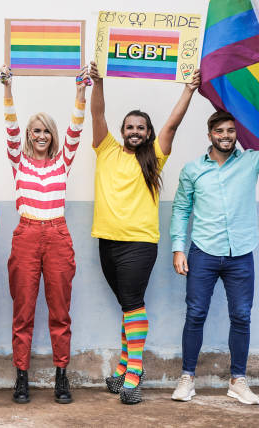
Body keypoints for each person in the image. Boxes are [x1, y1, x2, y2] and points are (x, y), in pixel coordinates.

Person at [89, 61, 200, 404]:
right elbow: (98, 114)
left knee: (133, 305)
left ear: (148, 133)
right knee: (127, 305)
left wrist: (189, 89)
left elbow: (173, 123)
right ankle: (123, 370)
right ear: (122, 130)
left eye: (141, 127)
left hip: (139, 244)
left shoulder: (154, 156)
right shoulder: (105, 149)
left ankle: (134, 375)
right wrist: (99, 82)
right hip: (107, 241)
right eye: (130, 126)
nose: (135, 131)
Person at [0, 64, 89, 405]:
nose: (40, 136)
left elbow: (76, 129)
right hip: (26, 233)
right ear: (29, 135)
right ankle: (21, 378)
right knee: (23, 310)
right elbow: (9, 126)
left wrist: (81, 93)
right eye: (35, 131)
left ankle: (61, 377)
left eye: (45, 131)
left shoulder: (62, 161)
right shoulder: (18, 160)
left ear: (52, 136)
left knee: (59, 310)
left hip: (56, 234)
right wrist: (8, 88)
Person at [170, 111, 259, 405]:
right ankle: (187, 378)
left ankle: (238, 380)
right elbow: (180, 209)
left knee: (241, 317)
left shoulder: (252, 161)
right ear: (210, 134)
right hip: (203, 252)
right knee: (195, 315)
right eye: (219, 131)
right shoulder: (192, 170)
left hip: (241, 253)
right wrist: (178, 248)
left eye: (230, 130)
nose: (226, 136)